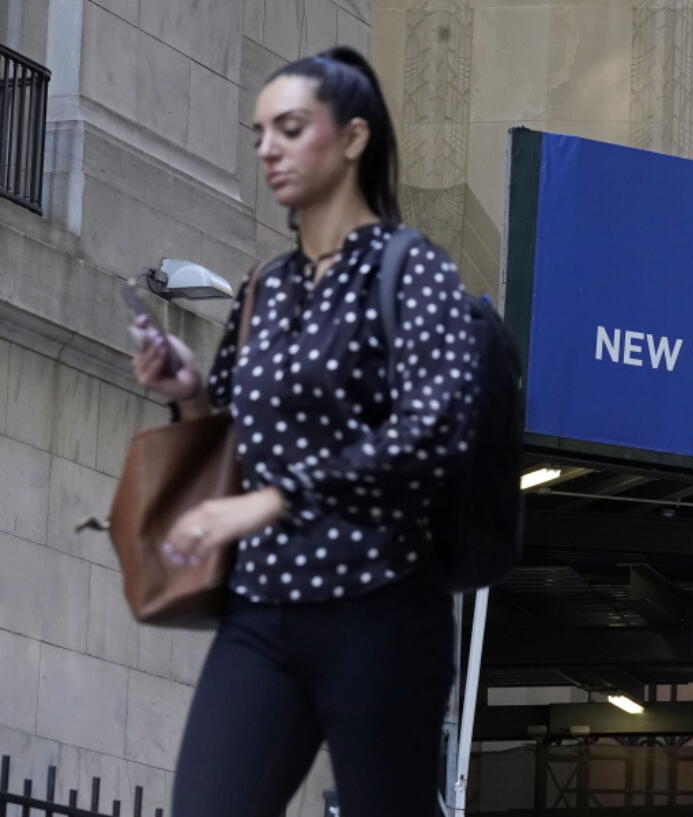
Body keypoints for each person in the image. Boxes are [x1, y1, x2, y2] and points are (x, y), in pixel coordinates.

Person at [130, 46, 475, 816]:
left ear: (353, 139)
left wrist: (277, 499)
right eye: (260, 133)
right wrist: (186, 391)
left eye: (290, 128)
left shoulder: (411, 271)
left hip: (381, 610)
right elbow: (228, 441)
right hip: (261, 613)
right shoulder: (266, 286)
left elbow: (433, 431)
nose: (267, 150)